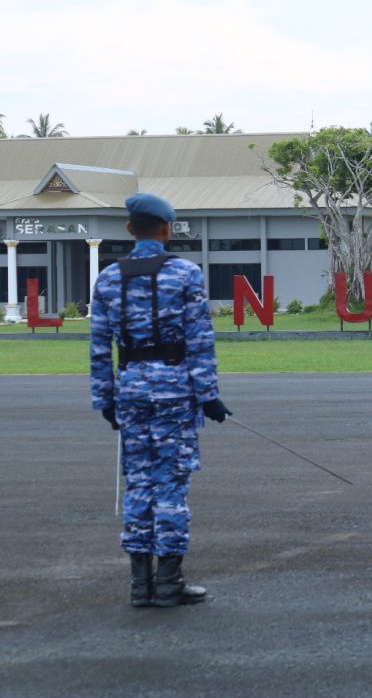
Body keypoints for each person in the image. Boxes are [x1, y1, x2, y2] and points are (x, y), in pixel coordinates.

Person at [90, 192, 232, 608]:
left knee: (138, 482)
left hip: (131, 387)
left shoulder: (109, 278)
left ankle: (140, 585)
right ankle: (169, 581)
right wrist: (209, 396)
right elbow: (199, 339)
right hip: (175, 389)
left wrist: (105, 399)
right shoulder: (186, 274)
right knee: (170, 484)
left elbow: (99, 347)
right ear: (167, 229)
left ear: (130, 229)